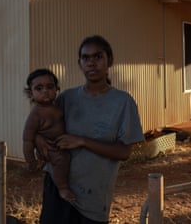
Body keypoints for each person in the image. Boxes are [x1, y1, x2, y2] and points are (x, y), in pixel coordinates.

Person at [37, 35, 145, 224]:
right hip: (57, 187)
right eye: (85, 58)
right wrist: (40, 143)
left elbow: (124, 152)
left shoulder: (122, 102)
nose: (91, 63)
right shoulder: (66, 98)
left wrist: (82, 141)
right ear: (79, 63)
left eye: (98, 57)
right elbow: (41, 128)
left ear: (109, 61)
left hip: (93, 194)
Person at [22, 68, 76, 202]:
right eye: (39, 88)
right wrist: (30, 160)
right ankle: (63, 188)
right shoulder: (35, 115)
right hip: (51, 148)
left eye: (50, 87)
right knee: (61, 160)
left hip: (62, 142)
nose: (45, 91)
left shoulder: (58, 106)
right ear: (31, 93)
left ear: (57, 89)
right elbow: (27, 139)